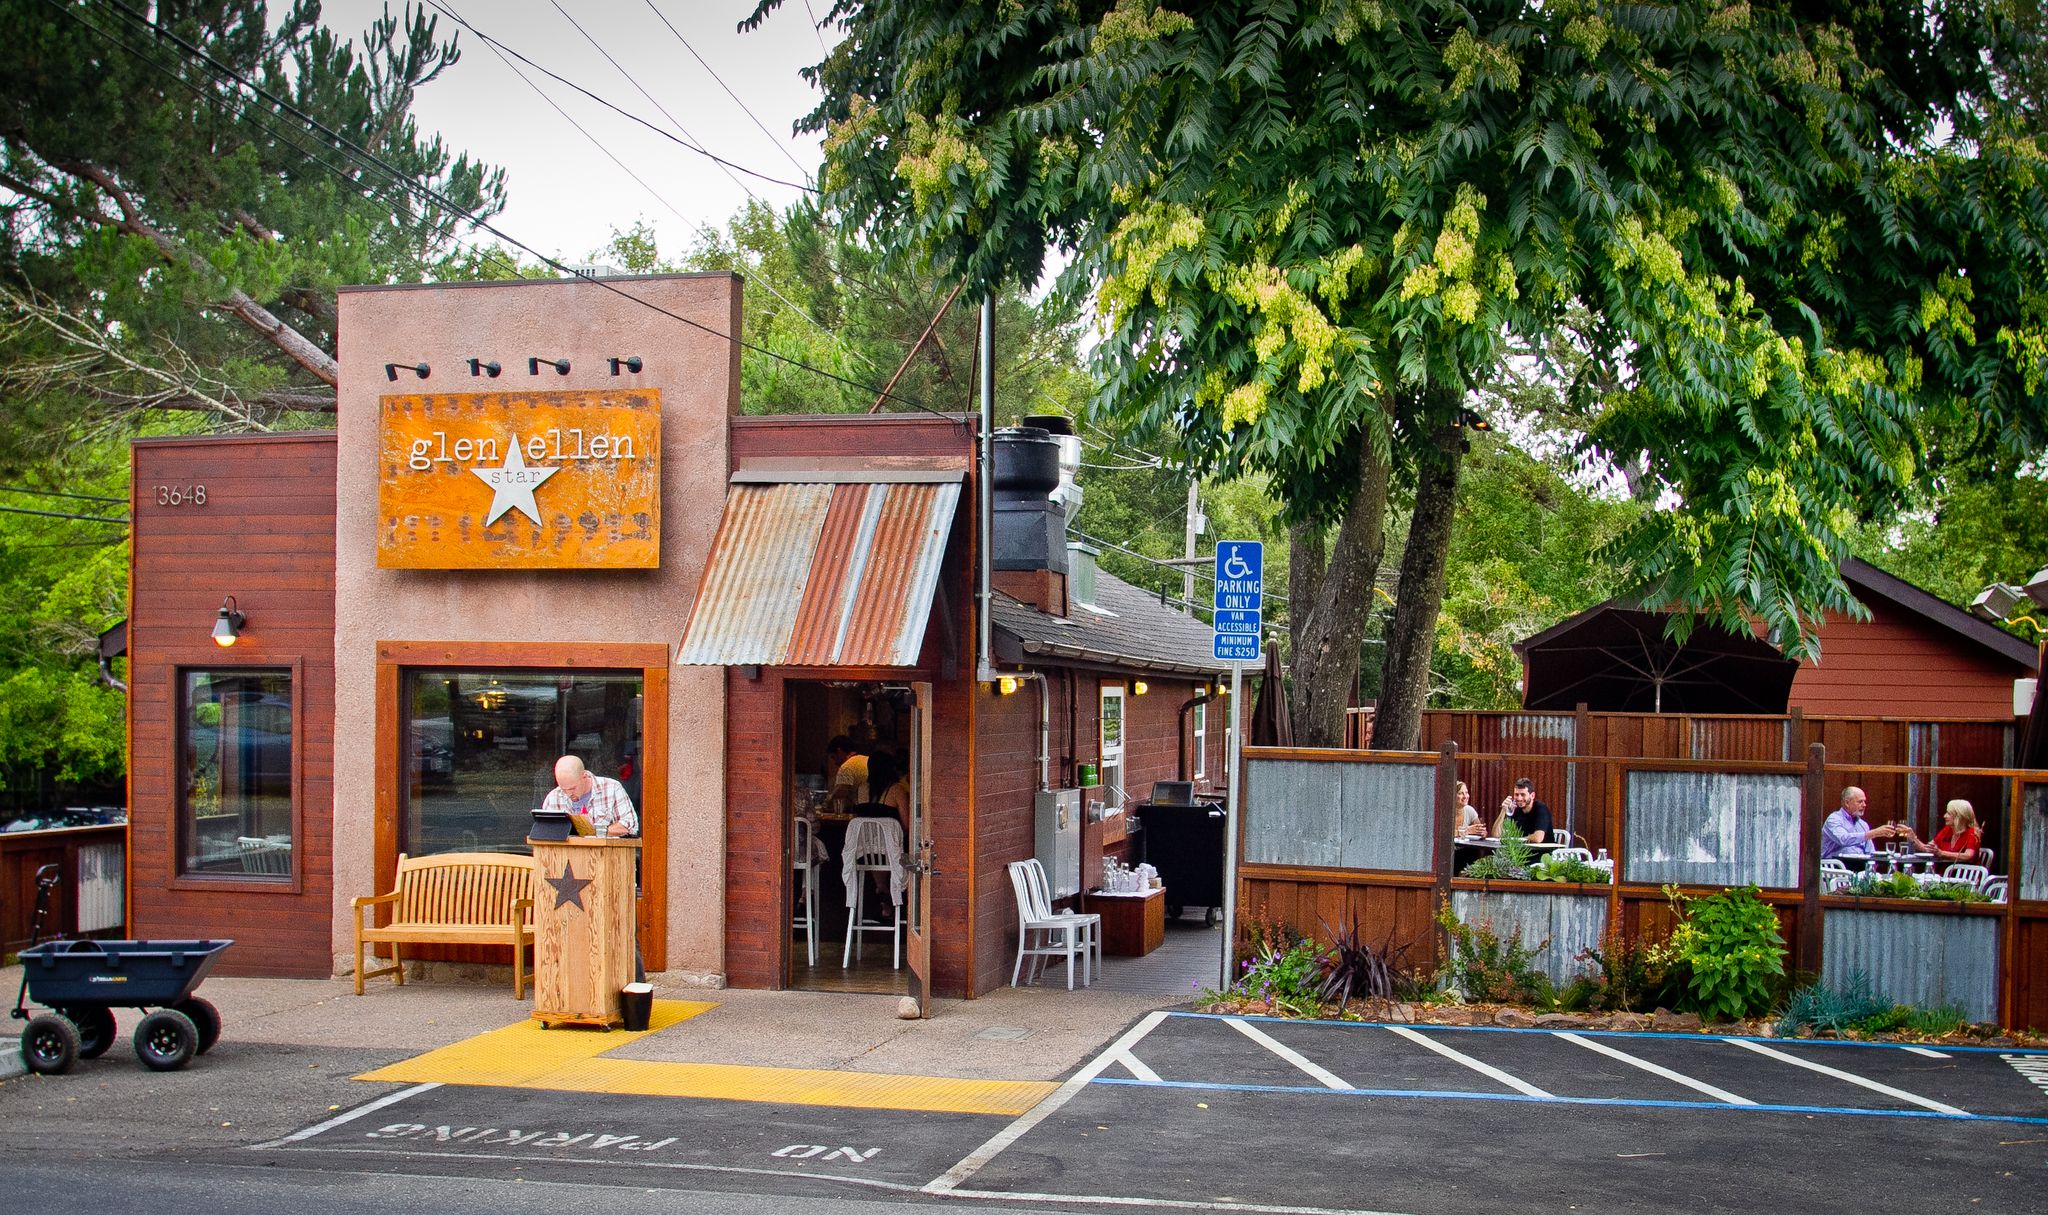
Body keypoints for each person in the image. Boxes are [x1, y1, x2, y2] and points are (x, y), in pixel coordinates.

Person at [542, 754, 639, 837]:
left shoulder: (612, 788)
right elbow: (544, 833)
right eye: (563, 789)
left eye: (572, 788)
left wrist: (595, 832)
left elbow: (630, 826)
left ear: (584, 776)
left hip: (605, 856)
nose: (568, 794)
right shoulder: (553, 798)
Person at [1820, 786, 1905, 860]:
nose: (1864, 805)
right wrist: (1874, 833)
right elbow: (1843, 839)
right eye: (1860, 802)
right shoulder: (1834, 819)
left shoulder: (1863, 824)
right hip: (1836, 867)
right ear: (1847, 803)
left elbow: (1870, 852)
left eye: (1864, 802)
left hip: (1860, 866)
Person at [1903, 799, 1982, 865]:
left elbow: (1968, 855)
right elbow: (1927, 849)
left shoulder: (1972, 832)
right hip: (1944, 873)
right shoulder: (1947, 829)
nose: (1945, 816)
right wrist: (1913, 838)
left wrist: (1941, 853)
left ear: (1959, 816)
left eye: (1949, 813)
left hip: (1963, 875)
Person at [1492, 777, 1552, 843]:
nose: (1519, 798)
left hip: (1543, 852)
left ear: (1532, 796)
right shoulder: (1515, 809)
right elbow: (1496, 835)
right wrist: (1503, 810)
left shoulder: (1541, 809)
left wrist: (1515, 840)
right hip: (1520, 851)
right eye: (1516, 795)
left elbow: (1538, 838)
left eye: (1523, 795)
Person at [825, 735, 870, 809]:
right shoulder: (867, 759)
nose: (835, 762)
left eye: (833, 757)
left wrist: (826, 806)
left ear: (839, 751)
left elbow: (840, 797)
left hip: (862, 813)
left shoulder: (846, 767)